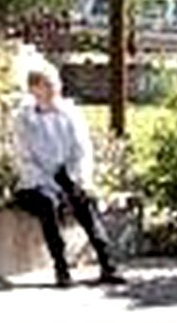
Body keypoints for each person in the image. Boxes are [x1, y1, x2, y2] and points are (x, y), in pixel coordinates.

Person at [12, 60, 125, 288]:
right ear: (34, 89)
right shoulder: (24, 119)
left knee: (83, 201)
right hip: (35, 182)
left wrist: (75, 180)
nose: (55, 88)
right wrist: (50, 184)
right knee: (47, 204)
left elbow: (81, 150)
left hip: (67, 174)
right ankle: (61, 268)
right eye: (48, 84)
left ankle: (108, 265)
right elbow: (25, 158)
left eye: (56, 83)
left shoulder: (70, 113)